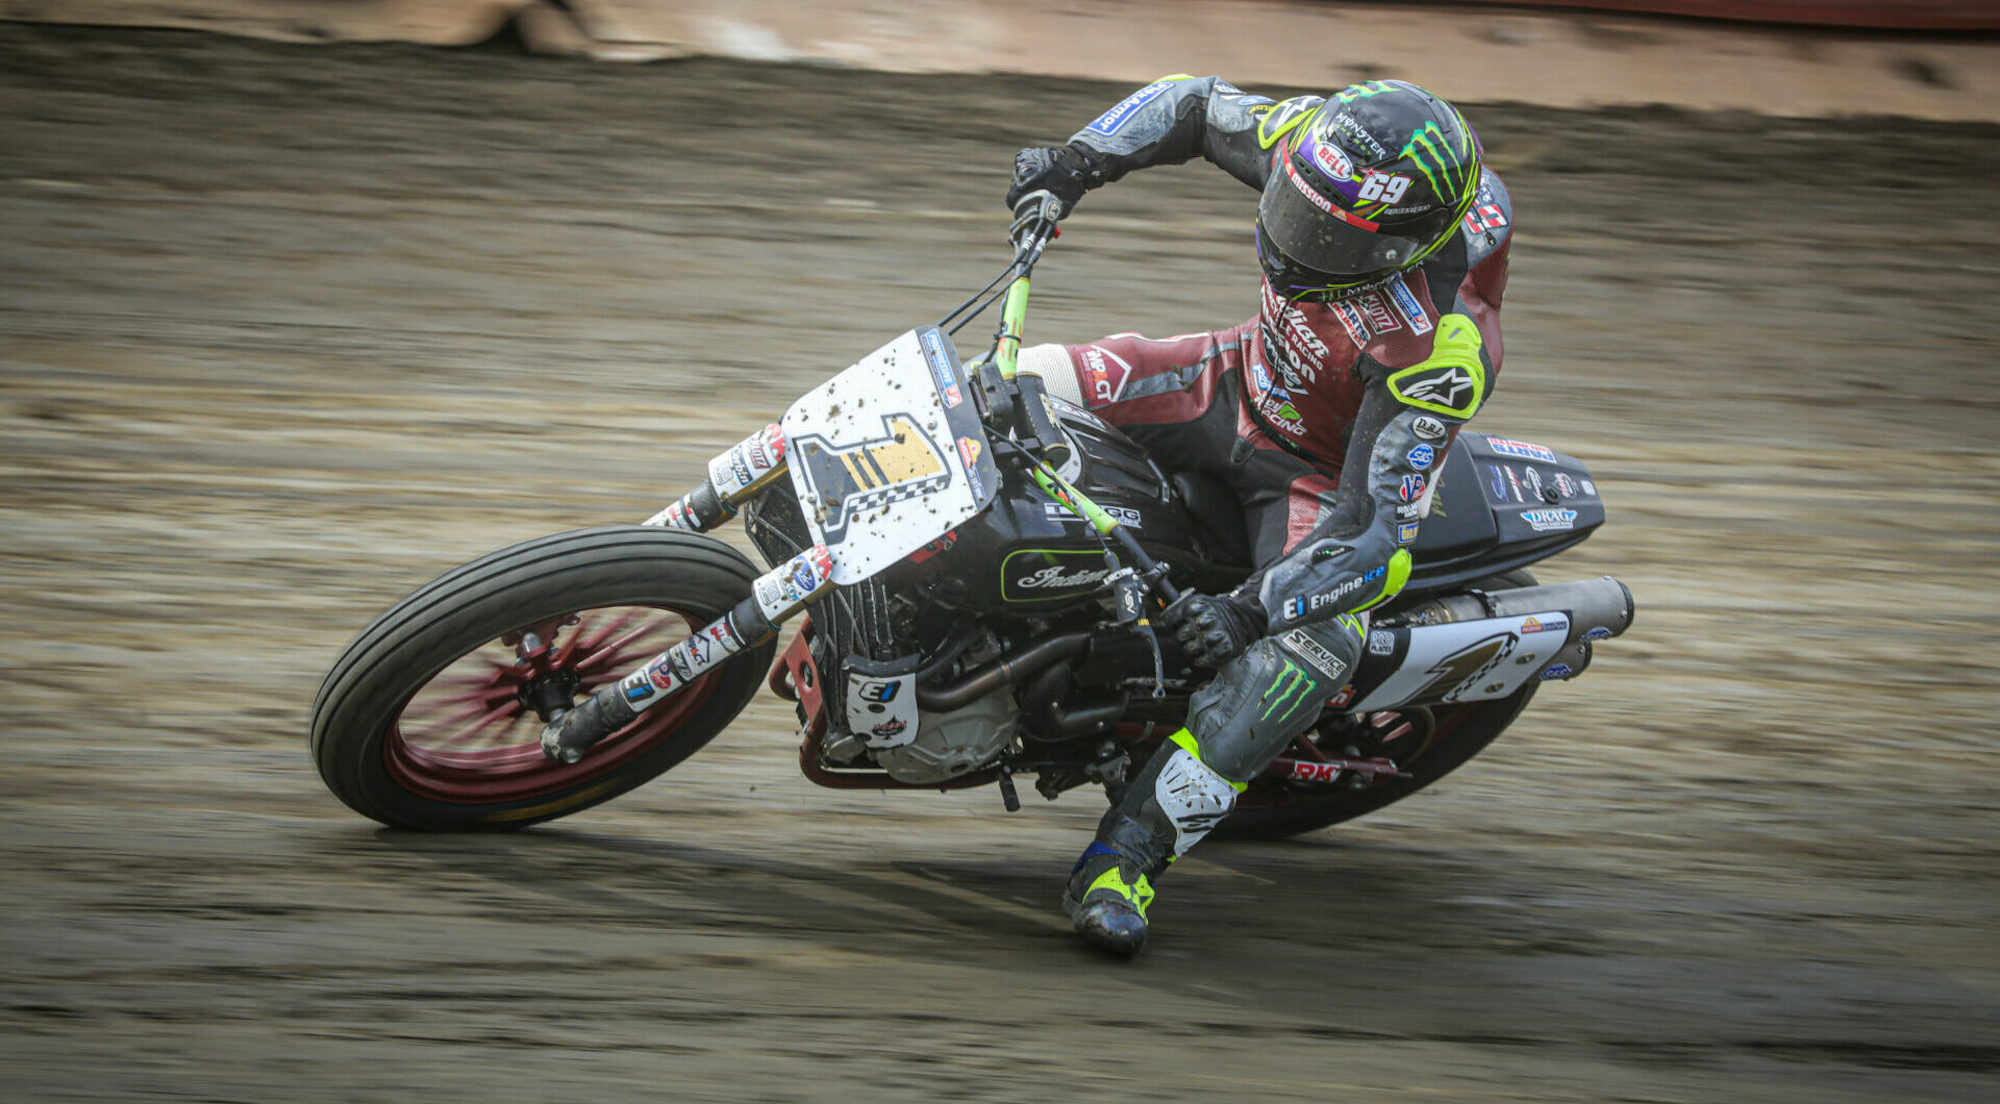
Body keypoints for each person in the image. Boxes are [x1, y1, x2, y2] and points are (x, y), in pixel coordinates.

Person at [1005, 76, 1513, 955]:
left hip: (1318, 477)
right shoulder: (1329, 152)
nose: (1294, 241)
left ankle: (1128, 856)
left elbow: (1373, 539)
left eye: (1325, 239)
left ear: (1402, 248)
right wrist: (1075, 161)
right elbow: (1197, 104)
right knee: (1015, 387)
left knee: (1317, 645)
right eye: (1294, 210)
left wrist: (1248, 610)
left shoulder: (1444, 347)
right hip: (1227, 376)